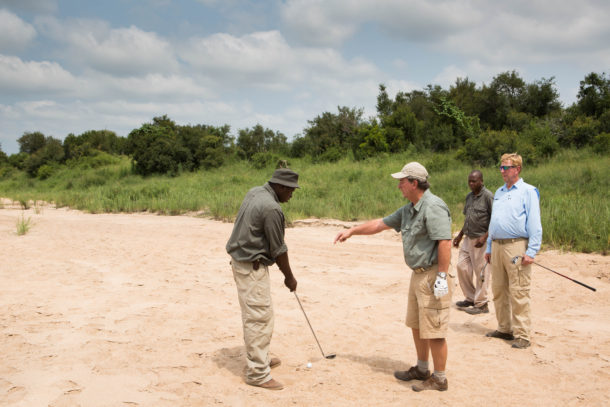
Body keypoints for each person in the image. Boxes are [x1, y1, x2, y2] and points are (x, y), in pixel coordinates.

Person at [334, 162, 453, 392]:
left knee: (434, 329)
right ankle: (421, 368)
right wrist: (351, 230)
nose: (399, 185)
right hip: (418, 275)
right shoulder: (409, 209)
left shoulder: (433, 206)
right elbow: (380, 224)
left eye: (402, 181)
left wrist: (441, 277)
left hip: (432, 274)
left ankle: (440, 379)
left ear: (414, 183)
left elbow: (445, 242)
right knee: (417, 325)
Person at [226, 168, 299, 390]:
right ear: (281, 187)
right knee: (258, 319)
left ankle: (262, 359)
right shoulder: (272, 209)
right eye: (291, 191)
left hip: (243, 262)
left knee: (260, 316)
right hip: (251, 267)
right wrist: (289, 277)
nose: (292, 195)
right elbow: (279, 250)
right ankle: (257, 374)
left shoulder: (256, 192)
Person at [484, 153, 542, 349]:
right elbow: (494, 221)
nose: (502, 171)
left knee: (519, 290)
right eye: (501, 167)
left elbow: (535, 223)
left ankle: (523, 335)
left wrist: (531, 251)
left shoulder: (528, 191)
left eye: (506, 167)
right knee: (499, 289)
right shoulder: (499, 192)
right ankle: (504, 328)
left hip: (517, 245)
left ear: (517, 169)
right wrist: (490, 246)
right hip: (498, 245)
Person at [453, 170, 493, 315]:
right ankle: (470, 298)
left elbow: (495, 220)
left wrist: (484, 238)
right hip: (468, 238)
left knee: (481, 271)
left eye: (474, 181)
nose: (471, 184)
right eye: (469, 181)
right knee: (461, 266)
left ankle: (482, 304)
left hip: (481, 240)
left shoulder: (488, 196)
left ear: (481, 181)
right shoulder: (469, 197)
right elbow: (468, 219)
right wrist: (459, 235)